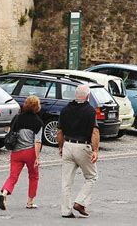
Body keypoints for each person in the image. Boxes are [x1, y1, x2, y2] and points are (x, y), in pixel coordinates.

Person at [57, 85, 99, 218]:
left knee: (66, 181)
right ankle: (80, 202)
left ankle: (66, 211)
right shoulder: (90, 111)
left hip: (68, 144)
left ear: (75, 95)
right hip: (82, 146)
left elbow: (59, 131)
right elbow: (95, 131)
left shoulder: (65, 110)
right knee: (91, 176)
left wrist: (60, 147)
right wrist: (95, 150)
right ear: (88, 96)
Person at [0, 95, 43, 210]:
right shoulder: (38, 122)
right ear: (37, 107)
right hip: (30, 153)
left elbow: (9, 130)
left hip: (16, 152)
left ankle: (4, 193)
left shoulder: (17, 118)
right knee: (34, 176)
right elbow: (37, 142)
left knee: (13, 176)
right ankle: (30, 202)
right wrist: (37, 157)